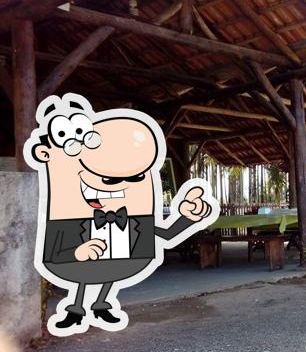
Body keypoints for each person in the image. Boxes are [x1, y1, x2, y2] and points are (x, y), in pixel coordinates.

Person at [24, 93, 219, 337]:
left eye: (135, 177)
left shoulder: (135, 218)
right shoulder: (66, 218)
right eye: (108, 179)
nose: (116, 185)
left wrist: (187, 217)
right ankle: (76, 309)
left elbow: (167, 234)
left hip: (120, 261)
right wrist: (77, 252)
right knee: (85, 273)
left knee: (108, 272)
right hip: (80, 263)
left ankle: (101, 304)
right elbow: (54, 252)